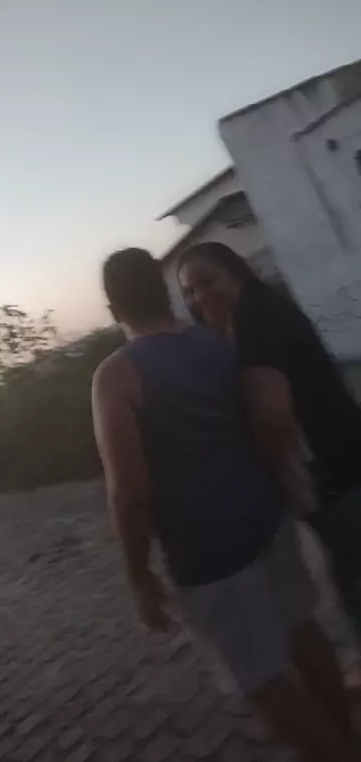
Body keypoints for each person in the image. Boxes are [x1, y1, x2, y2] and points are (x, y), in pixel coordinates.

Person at [92, 247, 360, 762]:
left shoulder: (116, 377)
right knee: (303, 632)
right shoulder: (217, 340)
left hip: (208, 556)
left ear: (112, 309)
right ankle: (347, 738)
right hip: (267, 521)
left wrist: (137, 573)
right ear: (165, 291)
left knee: (264, 680)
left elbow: (129, 491)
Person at [177, 241, 361, 632]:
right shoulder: (256, 313)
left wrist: (261, 477)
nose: (200, 297)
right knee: (346, 565)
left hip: (332, 470)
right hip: (339, 459)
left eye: (208, 282)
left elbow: (274, 417)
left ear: (236, 273)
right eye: (189, 292)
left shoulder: (255, 318)